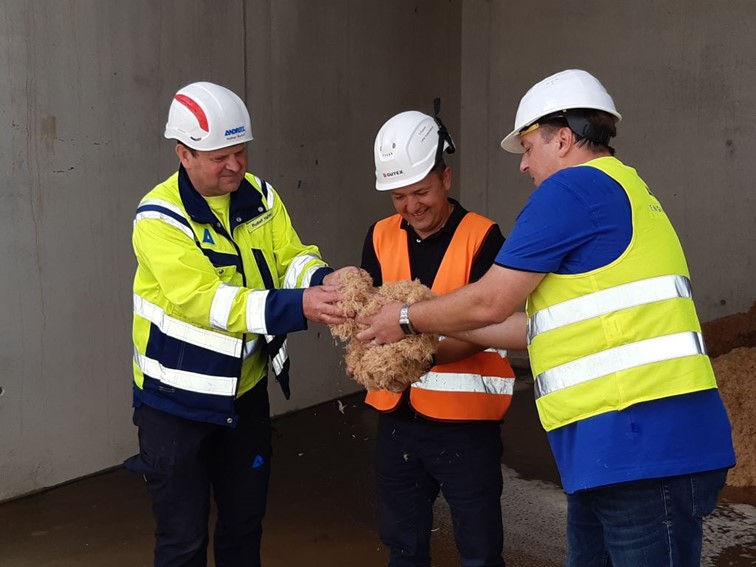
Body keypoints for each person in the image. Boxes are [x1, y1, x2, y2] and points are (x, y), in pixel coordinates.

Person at [357, 70, 736, 567]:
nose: (524, 165)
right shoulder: (626, 188)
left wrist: (405, 317)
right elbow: (527, 328)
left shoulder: (573, 191)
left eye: (529, 147)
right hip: (620, 449)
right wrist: (423, 331)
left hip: (639, 447)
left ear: (563, 138)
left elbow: (491, 301)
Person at [125, 81, 352, 567]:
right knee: (183, 544)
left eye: (241, 152)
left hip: (244, 398)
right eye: (220, 156)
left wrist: (328, 281)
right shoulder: (159, 218)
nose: (236, 165)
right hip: (175, 407)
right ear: (183, 153)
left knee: (244, 532)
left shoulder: (261, 199)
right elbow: (208, 301)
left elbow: (292, 259)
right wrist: (300, 307)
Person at [361, 106, 523, 567]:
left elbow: (490, 326)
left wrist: (415, 356)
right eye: (399, 197)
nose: (412, 207)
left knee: (479, 551)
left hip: (466, 426)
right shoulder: (378, 236)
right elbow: (371, 319)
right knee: (403, 547)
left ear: (446, 179)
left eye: (422, 192)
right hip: (397, 421)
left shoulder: (483, 236)